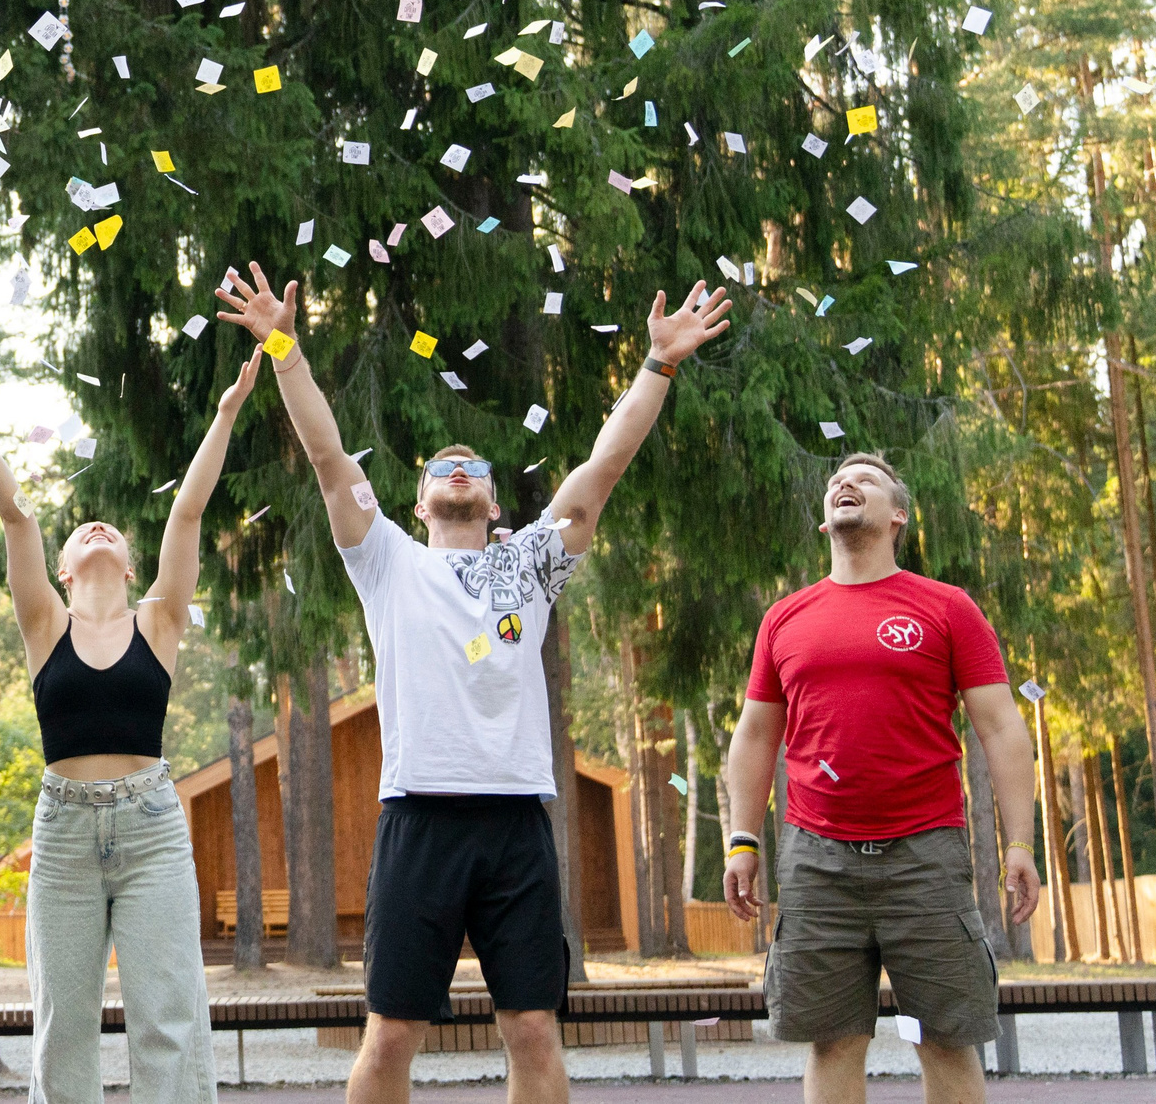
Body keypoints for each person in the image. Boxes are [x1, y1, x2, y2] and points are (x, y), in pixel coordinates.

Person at [217, 262, 732, 1104]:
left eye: (476, 466)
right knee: (389, 1036)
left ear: (495, 503)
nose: (459, 470)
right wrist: (283, 343)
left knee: (531, 1027)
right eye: (440, 468)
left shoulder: (530, 562)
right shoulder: (385, 560)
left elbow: (604, 465)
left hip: (515, 821)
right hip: (418, 817)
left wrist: (658, 365)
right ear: (417, 503)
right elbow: (322, 449)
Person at [0, 349, 260, 1104]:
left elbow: (189, 508)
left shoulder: (160, 619)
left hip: (152, 829)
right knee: (63, 1026)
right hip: (65, 836)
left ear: (132, 566)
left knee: (167, 1020)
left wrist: (228, 409)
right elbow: (16, 511)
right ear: (63, 569)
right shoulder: (44, 622)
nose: (97, 529)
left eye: (110, 532)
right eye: (81, 534)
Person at [721, 453, 1041, 1104]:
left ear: (897, 514)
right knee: (833, 1040)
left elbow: (1003, 728)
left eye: (865, 479)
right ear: (823, 520)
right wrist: (742, 839)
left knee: (945, 1038)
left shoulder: (947, 607)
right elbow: (755, 734)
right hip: (817, 858)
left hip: (926, 854)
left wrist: (1020, 843)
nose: (845, 483)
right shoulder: (785, 617)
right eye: (837, 480)